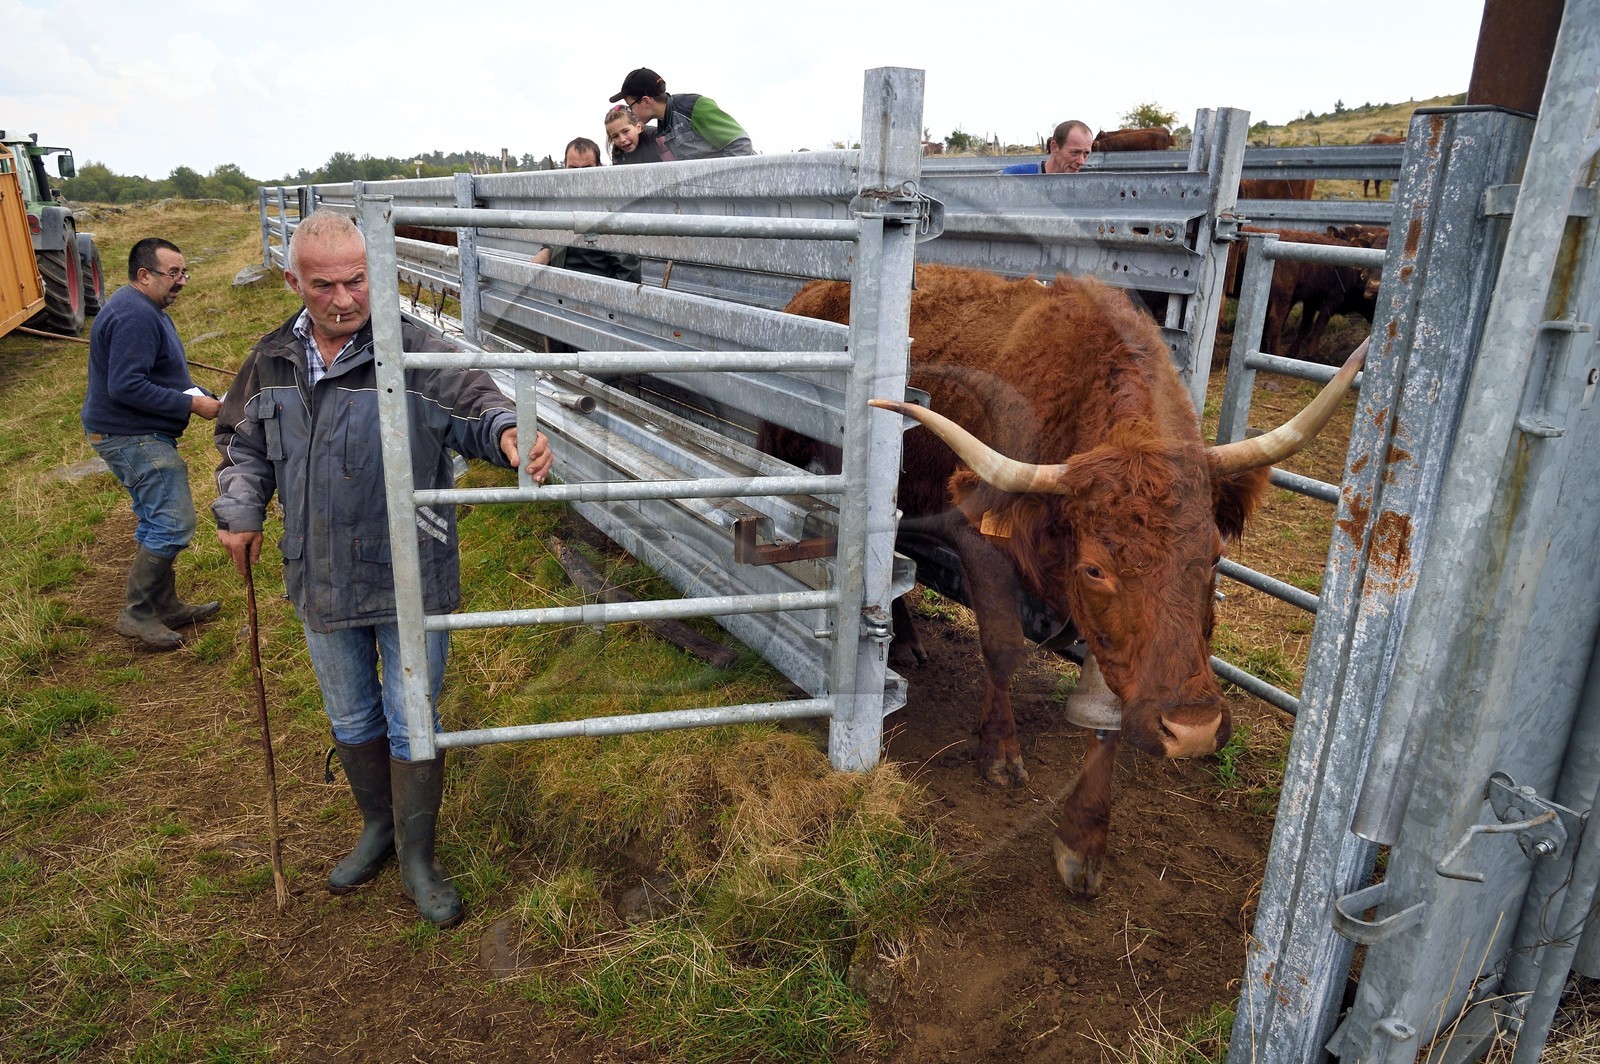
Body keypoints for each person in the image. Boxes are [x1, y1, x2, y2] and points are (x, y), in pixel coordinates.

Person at [211, 210, 553, 927]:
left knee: (411, 718)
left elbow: (477, 408)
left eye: (358, 281)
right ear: (293, 280)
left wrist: (511, 435)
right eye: (324, 285)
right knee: (350, 711)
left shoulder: (416, 353)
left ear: (378, 274)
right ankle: (379, 826)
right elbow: (242, 443)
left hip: (408, 575)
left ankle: (418, 858)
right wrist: (240, 509)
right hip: (319, 575)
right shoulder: (272, 361)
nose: (343, 299)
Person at [82, 237, 222, 651]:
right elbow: (126, 386)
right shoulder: (135, 316)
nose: (181, 281)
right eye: (172, 273)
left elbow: (158, 374)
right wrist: (192, 404)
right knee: (173, 523)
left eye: (184, 272)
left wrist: (200, 392)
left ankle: (165, 603)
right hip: (129, 434)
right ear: (144, 275)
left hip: (131, 429)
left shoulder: (145, 308)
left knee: (155, 519)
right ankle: (137, 611)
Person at [531, 138, 643, 285]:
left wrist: (602, 299)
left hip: (592, 296)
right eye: (572, 169)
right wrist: (547, 251)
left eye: (586, 169)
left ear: (599, 168)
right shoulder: (559, 204)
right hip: (559, 292)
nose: (578, 177)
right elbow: (555, 241)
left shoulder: (609, 210)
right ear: (564, 167)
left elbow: (628, 273)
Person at [610, 67, 755, 160]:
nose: (632, 112)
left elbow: (741, 145)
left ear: (647, 101)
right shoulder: (662, 128)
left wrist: (721, 184)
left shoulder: (694, 107)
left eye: (631, 105)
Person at [999, 120, 1093, 174]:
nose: (1082, 161)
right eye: (1075, 152)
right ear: (1054, 148)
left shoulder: (1084, 189)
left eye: (1086, 153)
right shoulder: (1014, 177)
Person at [605, 104, 672, 165]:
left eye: (625, 131)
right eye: (615, 136)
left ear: (638, 127)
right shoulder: (618, 152)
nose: (622, 140)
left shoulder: (657, 138)